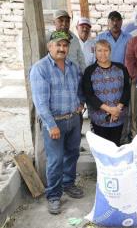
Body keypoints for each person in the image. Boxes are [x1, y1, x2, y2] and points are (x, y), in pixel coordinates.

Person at [30, 31, 84, 215]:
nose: (62, 48)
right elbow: (40, 102)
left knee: (72, 154)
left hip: (73, 119)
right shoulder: (41, 68)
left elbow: (78, 89)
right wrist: (51, 125)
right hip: (55, 123)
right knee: (55, 160)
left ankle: (68, 184)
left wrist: (80, 104)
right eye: (58, 45)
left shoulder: (72, 66)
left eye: (65, 45)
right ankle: (53, 195)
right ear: (49, 46)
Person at [82, 40, 130, 146]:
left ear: (110, 51)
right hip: (99, 119)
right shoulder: (89, 71)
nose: (103, 54)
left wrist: (117, 109)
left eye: (106, 50)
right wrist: (109, 109)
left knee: (116, 147)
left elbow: (127, 89)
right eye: (99, 50)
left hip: (118, 116)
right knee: (101, 148)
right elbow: (89, 95)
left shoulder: (121, 68)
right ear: (95, 52)